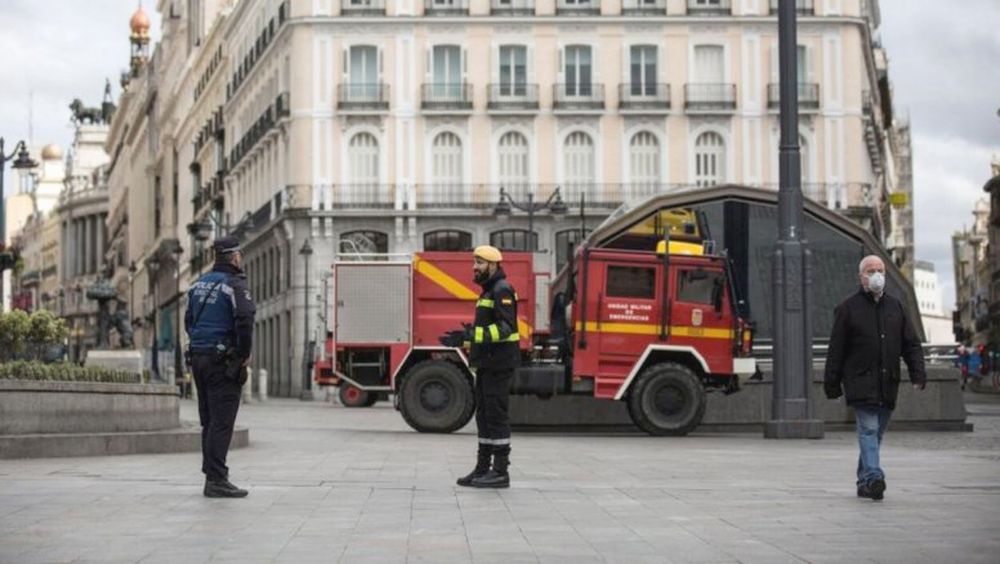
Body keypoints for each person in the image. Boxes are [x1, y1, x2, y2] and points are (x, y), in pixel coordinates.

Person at [824, 254, 926, 501]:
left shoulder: (896, 307)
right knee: (868, 430)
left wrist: (918, 373)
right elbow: (836, 349)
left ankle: (864, 482)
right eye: (870, 271)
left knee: (875, 433)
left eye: (880, 270)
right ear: (861, 276)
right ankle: (873, 477)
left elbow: (911, 344)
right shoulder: (848, 309)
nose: (876, 275)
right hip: (860, 382)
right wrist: (832, 383)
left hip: (887, 382)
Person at [184, 236, 256, 498]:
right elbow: (245, 318)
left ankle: (211, 476)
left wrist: (201, 342)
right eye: (240, 255)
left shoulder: (197, 285)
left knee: (209, 421)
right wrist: (243, 354)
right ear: (234, 257)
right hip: (222, 361)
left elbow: (189, 320)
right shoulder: (234, 285)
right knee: (222, 422)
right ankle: (216, 479)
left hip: (199, 357)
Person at [455, 245, 521, 489]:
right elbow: (485, 332)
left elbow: (506, 329)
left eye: (480, 263)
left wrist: (473, 335)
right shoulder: (488, 291)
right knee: (483, 416)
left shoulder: (502, 289)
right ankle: (483, 468)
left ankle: (500, 472)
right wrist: (463, 339)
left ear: (493, 265)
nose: (475, 267)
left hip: (498, 364)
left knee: (496, 416)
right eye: (475, 262)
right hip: (486, 364)